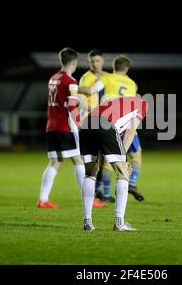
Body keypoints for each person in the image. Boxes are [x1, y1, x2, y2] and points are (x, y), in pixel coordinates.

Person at [37, 48, 105, 208]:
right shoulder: (71, 81)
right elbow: (72, 105)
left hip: (51, 126)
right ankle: (89, 198)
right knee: (78, 160)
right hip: (65, 127)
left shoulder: (53, 78)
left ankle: (43, 199)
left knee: (56, 161)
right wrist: (79, 123)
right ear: (74, 62)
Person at [80, 55, 145, 201]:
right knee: (136, 156)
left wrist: (73, 88)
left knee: (107, 161)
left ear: (113, 66)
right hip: (129, 124)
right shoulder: (132, 84)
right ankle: (132, 183)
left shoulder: (106, 78)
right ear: (127, 68)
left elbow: (91, 90)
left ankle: (104, 191)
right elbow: (135, 106)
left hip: (109, 123)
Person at [79, 96, 148, 231]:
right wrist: (123, 160)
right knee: (123, 172)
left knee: (89, 173)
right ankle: (119, 223)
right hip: (105, 125)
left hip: (86, 125)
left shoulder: (115, 101)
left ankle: (87, 222)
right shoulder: (142, 104)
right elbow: (131, 132)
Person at [78, 49, 112, 203]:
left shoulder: (107, 78)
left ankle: (102, 192)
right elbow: (80, 97)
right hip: (90, 120)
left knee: (106, 157)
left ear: (103, 61)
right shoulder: (86, 78)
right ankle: (95, 193)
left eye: (97, 61)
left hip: (105, 119)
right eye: (92, 61)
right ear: (88, 62)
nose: (95, 64)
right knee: (94, 160)